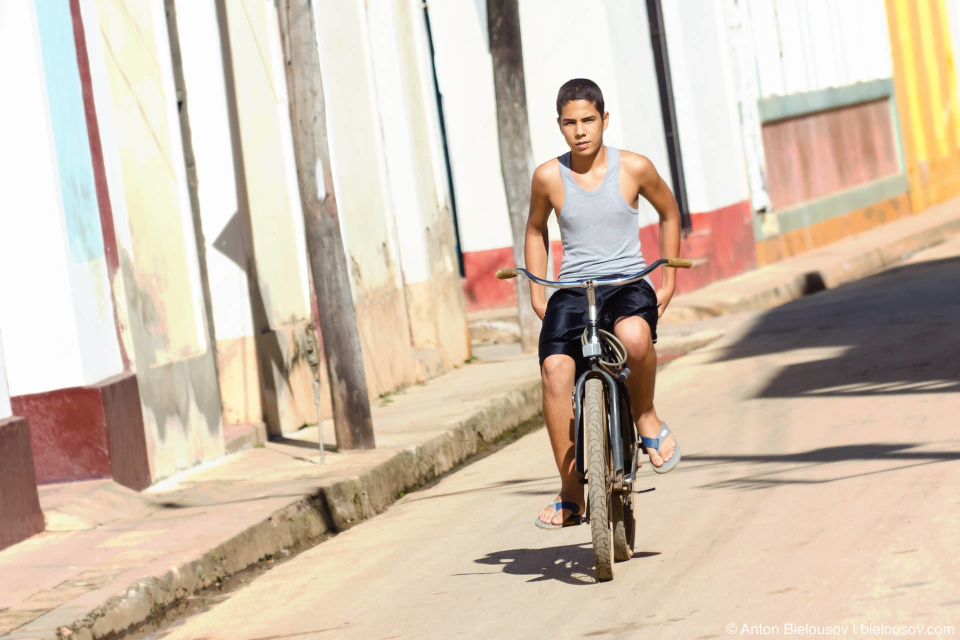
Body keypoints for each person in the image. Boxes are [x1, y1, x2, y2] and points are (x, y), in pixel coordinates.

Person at [526, 78, 683, 529]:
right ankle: (571, 490)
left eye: (588, 120)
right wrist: (539, 291)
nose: (580, 131)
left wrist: (667, 280)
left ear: (605, 120)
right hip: (574, 290)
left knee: (635, 337)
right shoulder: (548, 177)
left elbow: (669, 212)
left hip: (628, 283)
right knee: (556, 370)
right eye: (570, 123)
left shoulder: (634, 167)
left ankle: (647, 416)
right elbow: (535, 229)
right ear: (560, 125)